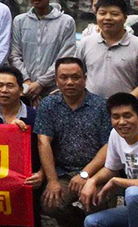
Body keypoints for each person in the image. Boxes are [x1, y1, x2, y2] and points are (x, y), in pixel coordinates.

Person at [36, 57, 112, 227]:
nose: (69, 82)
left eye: (75, 77)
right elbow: (43, 142)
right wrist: (52, 181)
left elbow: (108, 145)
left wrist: (85, 174)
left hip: (96, 172)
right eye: (63, 77)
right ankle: (79, 222)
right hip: (63, 172)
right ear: (56, 80)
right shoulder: (48, 105)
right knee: (51, 203)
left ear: (85, 78)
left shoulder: (101, 106)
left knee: (96, 201)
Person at [0, 65, 44, 227]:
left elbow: (48, 149)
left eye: (10, 86)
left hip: (28, 180)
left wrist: (41, 174)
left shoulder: (35, 116)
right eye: (0, 85)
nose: (4, 90)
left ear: (21, 90)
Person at [10, 0, 78, 105]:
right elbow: (14, 54)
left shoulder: (66, 22)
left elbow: (65, 57)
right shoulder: (20, 21)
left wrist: (41, 83)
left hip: (54, 89)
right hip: (25, 89)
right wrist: (27, 81)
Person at [79, 93, 138, 227]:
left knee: (133, 193)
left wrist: (117, 181)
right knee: (92, 222)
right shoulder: (115, 134)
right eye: (116, 117)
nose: (121, 122)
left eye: (127, 116)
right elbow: (111, 168)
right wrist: (92, 180)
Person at [78, 0, 138, 98]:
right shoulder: (86, 43)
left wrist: (128, 101)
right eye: (102, 13)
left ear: (125, 18)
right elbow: (76, 74)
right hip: (90, 105)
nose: (108, 18)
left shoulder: (136, 45)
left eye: (114, 14)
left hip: (125, 106)